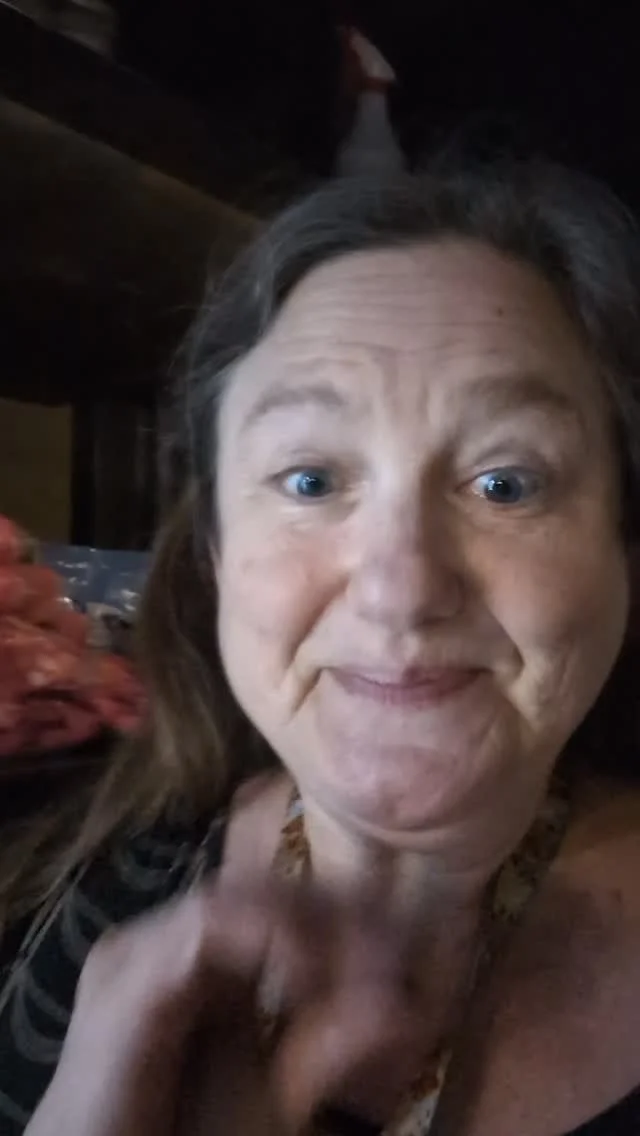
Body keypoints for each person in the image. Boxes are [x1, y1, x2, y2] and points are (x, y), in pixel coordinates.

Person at [1, 159, 640, 1136]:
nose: (401, 588)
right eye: (309, 480)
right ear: (216, 553)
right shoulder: (69, 877)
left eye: (505, 483)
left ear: (622, 554)